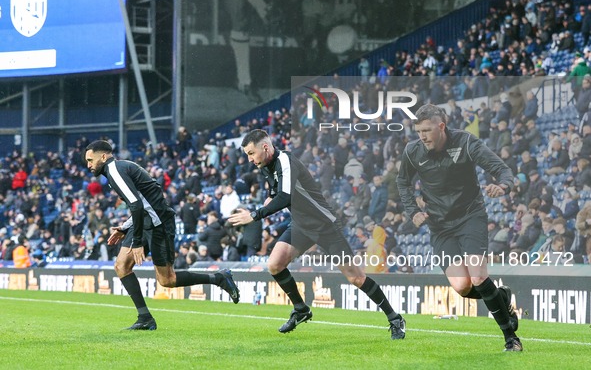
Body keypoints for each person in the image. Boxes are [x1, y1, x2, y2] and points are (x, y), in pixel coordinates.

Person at [228, 130, 406, 340]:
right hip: (301, 226)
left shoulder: (285, 160)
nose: (249, 159)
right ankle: (301, 309)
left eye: (251, 153)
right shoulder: (265, 166)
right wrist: (268, 199)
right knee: (275, 264)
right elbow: (277, 192)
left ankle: (395, 318)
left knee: (356, 278)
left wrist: (256, 215)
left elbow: (286, 195)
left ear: (265, 148)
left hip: (325, 226)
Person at [396, 105, 521, 352]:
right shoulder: (413, 151)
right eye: (418, 131)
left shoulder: (465, 142)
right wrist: (413, 211)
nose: (422, 136)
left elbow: (501, 169)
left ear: (441, 126)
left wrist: (503, 186)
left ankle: (511, 338)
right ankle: (501, 297)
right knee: (463, 287)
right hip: (440, 226)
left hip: (470, 216)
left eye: (427, 130)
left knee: (478, 276)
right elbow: (402, 182)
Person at [85, 140, 240, 331]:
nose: (88, 165)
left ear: (104, 156)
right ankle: (145, 318)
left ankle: (219, 278)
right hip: (147, 219)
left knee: (167, 280)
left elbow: (137, 205)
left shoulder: (115, 169)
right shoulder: (118, 169)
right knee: (121, 265)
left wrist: (137, 241)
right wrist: (126, 227)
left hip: (159, 224)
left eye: (90, 160)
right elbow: (142, 202)